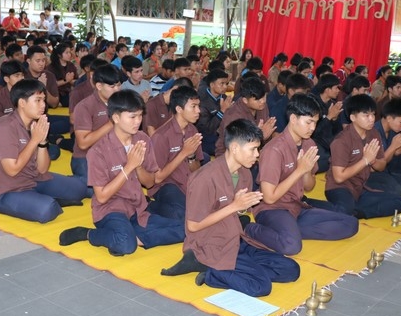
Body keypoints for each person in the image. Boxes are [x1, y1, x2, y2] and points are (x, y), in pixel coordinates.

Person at [161, 119, 300, 297]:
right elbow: (193, 226)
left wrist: (241, 207)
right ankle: (211, 273)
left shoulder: (245, 173)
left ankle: (236, 270)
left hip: (235, 239)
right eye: (253, 149)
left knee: (291, 269)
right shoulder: (204, 178)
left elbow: (239, 213)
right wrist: (234, 205)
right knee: (261, 287)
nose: (257, 154)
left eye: (258, 149)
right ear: (234, 148)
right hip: (211, 245)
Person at [59, 90, 185, 255]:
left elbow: (149, 183)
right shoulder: (98, 151)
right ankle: (88, 234)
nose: (138, 121)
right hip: (110, 210)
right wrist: (129, 167)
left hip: (137, 208)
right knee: (126, 246)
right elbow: (102, 197)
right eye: (132, 117)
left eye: (140, 116)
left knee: (186, 229)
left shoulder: (142, 139)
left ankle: (135, 237)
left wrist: (138, 166)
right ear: (116, 118)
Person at [245, 95, 359, 255]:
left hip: (296, 206)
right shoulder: (274, 150)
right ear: (293, 119)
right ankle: (250, 229)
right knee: (291, 247)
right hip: (273, 209)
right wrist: (299, 170)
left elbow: (309, 187)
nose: (312, 128)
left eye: (315, 122)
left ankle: (291, 230)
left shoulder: (309, 144)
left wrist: (306, 172)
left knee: (351, 223)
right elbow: (269, 198)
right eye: (308, 122)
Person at [0, 79, 88, 223]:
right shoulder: (4, 127)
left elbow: (42, 169)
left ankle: (44, 197)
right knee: (47, 210)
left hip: (33, 179)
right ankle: (47, 199)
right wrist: (34, 140)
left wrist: (42, 143)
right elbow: (12, 170)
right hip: (6, 189)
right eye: (37, 100)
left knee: (79, 189)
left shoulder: (34, 124)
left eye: (43, 100)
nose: (43, 105)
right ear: (22, 103)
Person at [325, 94, 401, 219]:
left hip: (360, 187)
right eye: (366, 115)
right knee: (345, 208)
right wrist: (365, 160)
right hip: (340, 188)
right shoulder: (341, 141)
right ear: (353, 117)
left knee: (400, 201)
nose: (372, 119)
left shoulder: (373, 133)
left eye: (373, 114)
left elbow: (381, 166)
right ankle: (348, 210)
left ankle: (358, 213)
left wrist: (373, 160)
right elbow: (339, 177)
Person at [147, 86, 203, 221]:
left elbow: (196, 169)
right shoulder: (161, 136)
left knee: (207, 208)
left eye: (198, 106)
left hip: (187, 182)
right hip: (166, 185)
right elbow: (157, 178)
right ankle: (150, 206)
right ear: (179, 109)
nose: (198, 111)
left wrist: (191, 156)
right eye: (193, 107)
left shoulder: (192, 130)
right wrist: (183, 153)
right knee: (182, 215)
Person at [71, 64, 123, 182]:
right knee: (92, 187)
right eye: (112, 86)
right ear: (99, 86)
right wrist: (111, 123)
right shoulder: (84, 106)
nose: (117, 90)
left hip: (113, 152)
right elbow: (83, 143)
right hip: (86, 156)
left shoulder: (121, 102)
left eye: (119, 85)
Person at [216, 75, 276, 157]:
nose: (262, 101)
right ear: (245, 100)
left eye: (264, 96)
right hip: (231, 157)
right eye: (257, 99)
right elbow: (236, 147)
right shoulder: (234, 115)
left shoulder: (262, 106)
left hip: (255, 152)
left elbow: (266, 135)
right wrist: (259, 137)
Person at [196, 68, 232, 157]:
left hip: (222, 135)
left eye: (226, 84)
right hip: (206, 139)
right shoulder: (202, 101)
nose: (225, 87)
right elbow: (207, 129)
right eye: (221, 84)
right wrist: (222, 111)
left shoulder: (224, 97)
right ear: (212, 85)